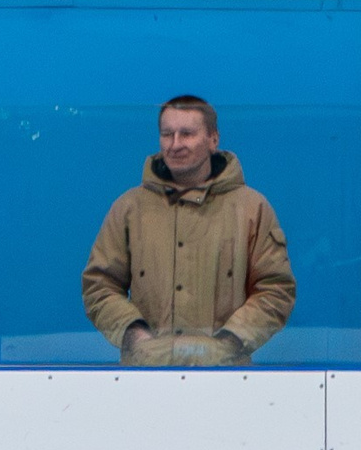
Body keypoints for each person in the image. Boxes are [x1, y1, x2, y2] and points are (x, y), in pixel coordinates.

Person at [82, 95, 295, 366]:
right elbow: (99, 285)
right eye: (167, 134)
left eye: (187, 134)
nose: (175, 144)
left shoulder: (252, 209)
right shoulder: (129, 209)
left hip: (226, 380)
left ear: (213, 139)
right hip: (144, 380)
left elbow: (276, 289)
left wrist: (229, 343)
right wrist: (135, 337)